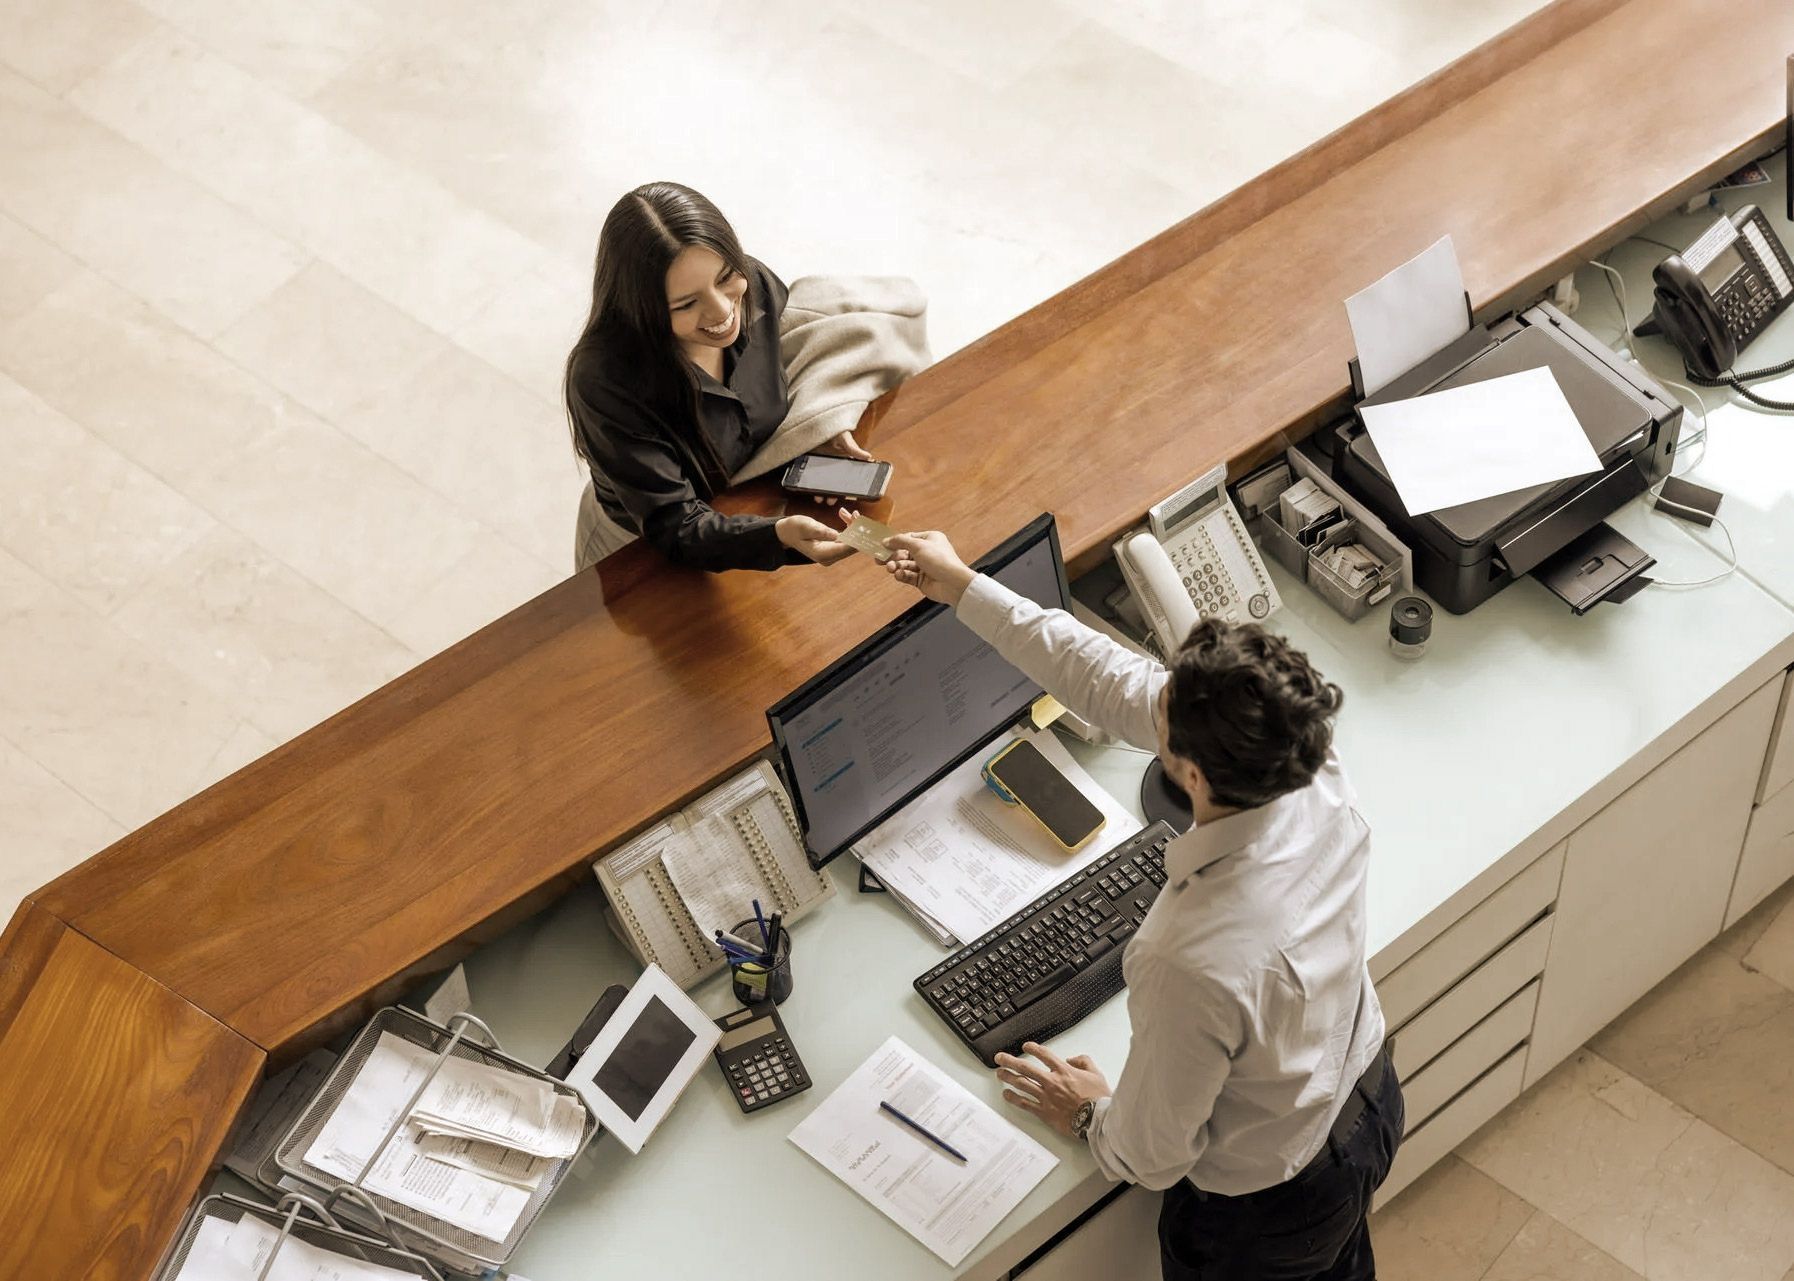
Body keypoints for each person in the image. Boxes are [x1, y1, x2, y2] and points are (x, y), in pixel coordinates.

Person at [882, 529, 1403, 1281]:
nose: (1146, 694)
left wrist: (1092, 1113)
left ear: (1188, 771)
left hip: (1271, 1208)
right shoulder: (1306, 754)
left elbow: (1154, 1155)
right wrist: (963, 585)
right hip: (1370, 1096)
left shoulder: (1188, 955)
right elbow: (1107, 677)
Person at [564, 182, 861, 571]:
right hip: (636, 545)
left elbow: (790, 360)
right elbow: (675, 524)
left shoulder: (754, 284)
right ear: (642, 310)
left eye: (725, 278)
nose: (722, 311)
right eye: (686, 304)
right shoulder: (605, 382)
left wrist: (814, 431)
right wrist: (775, 537)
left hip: (743, 506)